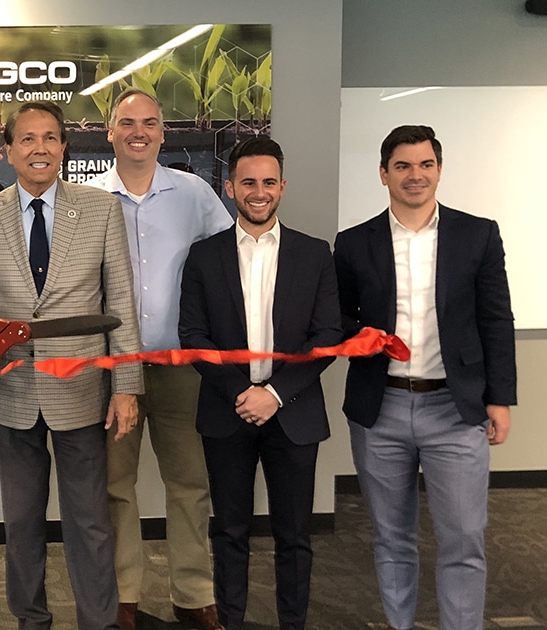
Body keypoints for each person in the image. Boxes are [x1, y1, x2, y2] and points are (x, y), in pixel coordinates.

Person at [0, 101, 142, 630]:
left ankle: (99, 622)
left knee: (90, 522)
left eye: (51, 138)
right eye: (28, 139)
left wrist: (126, 386)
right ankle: (29, 620)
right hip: (13, 392)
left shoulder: (101, 209)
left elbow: (119, 305)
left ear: (64, 147)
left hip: (83, 390)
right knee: (21, 522)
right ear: (8, 150)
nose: (40, 148)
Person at [333, 125, 515, 630]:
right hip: (380, 409)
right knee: (392, 538)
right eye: (404, 166)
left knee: (463, 538)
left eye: (425, 165)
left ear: (439, 169)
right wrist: (358, 334)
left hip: (455, 411)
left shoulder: (477, 234)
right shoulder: (352, 244)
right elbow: (337, 320)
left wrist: (500, 399)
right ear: (384, 173)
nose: (416, 176)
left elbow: (496, 319)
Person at [178, 137, 342, 630]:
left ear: (282, 187)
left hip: (293, 413)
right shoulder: (204, 256)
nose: (258, 191)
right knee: (229, 532)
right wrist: (241, 395)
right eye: (248, 181)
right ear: (230, 188)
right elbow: (194, 337)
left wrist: (272, 394)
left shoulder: (314, 254)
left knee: (295, 536)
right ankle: (231, 621)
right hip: (228, 414)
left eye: (268, 182)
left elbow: (328, 336)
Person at [86, 88, 232, 630]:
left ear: (163, 132)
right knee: (114, 486)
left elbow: (227, 264)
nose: (139, 132)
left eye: (149, 122)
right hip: (113, 371)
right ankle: (123, 595)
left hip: (181, 368)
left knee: (190, 484)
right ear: (110, 131)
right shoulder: (89, 198)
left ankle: (193, 595)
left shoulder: (194, 193)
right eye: (128, 123)